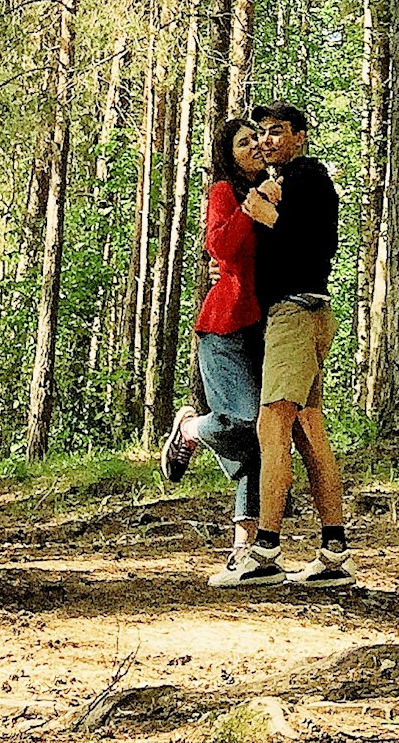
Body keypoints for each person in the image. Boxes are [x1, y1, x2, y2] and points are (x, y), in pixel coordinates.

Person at [210, 100, 353, 589]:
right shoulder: (286, 183)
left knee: (273, 427)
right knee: (310, 432)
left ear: (299, 136)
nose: (267, 141)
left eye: (276, 132)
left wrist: (264, 211)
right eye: (261, 133)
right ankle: (333, 553)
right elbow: (268, 250)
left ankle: (265, 551)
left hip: (296, 314)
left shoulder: (305, 178)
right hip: (302, 313)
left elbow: (312, 245)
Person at [158, 116, 265, 559]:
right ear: (229, 153)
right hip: (224, 326)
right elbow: (219, 247)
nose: (255, 147)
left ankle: (245, 545)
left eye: (257, 140)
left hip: (265, 327)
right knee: (242, 421)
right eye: (244, 143)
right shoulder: (225, 193)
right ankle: (188, 429)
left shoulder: (276, 188)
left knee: (260, 436)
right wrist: (248, 209)